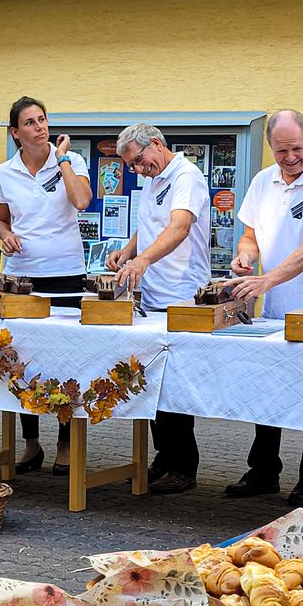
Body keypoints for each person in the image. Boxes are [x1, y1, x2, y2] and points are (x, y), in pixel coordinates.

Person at [222, 110, 303, 507]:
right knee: (267, 390)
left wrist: (264, 280)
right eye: (280, 151)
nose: (290, 157)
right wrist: (245, 258)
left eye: (296, 148)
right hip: (272, 308)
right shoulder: (262, 181)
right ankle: (263, 471)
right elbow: (249, 236)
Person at [0, 96, 92, 475]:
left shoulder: (71, 161)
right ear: (16, 133)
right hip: (22, 275)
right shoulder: (4, 172)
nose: (41, 127)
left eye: (43, 120)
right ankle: (30, 443)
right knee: (22, 360)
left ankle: (66, 442)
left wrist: (62, 159)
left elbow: (81, 200)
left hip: (66, 272)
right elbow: (1, 220)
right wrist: (6, 235)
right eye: (31, 123)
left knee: (64, 358)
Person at [107, 124, 210, 494]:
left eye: (138, 160)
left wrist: (142, 261)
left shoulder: (187, 175)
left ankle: (184, 466)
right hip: (152, 294)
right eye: (131, 165)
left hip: (181, 294)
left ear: (155, 143)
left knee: (174, 385)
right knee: (151, 381)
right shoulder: (153, 179)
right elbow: (150, 227)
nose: (137, 169)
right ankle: (164, 456)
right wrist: (128, 251)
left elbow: (179, 227)